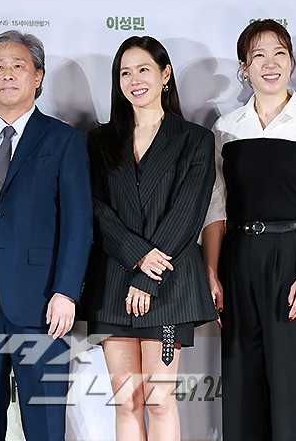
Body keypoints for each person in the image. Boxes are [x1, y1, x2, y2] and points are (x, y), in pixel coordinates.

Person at [201, 19, 296, 440]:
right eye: (258, 56)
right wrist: (212, 272)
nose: (270, 64)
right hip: (238, 259)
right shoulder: (226, 127)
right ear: (244, 67)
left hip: (295, 260)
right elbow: (215, 205)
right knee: (242, 387)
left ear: (292, 63)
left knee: (293, 391)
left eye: (279, 54)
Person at [0, 30, 93, 441]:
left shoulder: (63, 139)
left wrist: (66, 292)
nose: (7, 74)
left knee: (44, 427)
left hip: (43, 304)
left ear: (38, 76)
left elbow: (79, 222)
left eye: (18, 66)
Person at [84, 36, 217, 440]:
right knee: (127, 399)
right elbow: (96, 209)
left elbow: (188, 212)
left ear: (165, 74)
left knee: (159, 399)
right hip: (114, 281)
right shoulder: (100, 141)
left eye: (143, 69)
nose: (134, 80)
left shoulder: (194, 138)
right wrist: (136, 257)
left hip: (169, 284)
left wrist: (147, 274)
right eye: (125, 73)